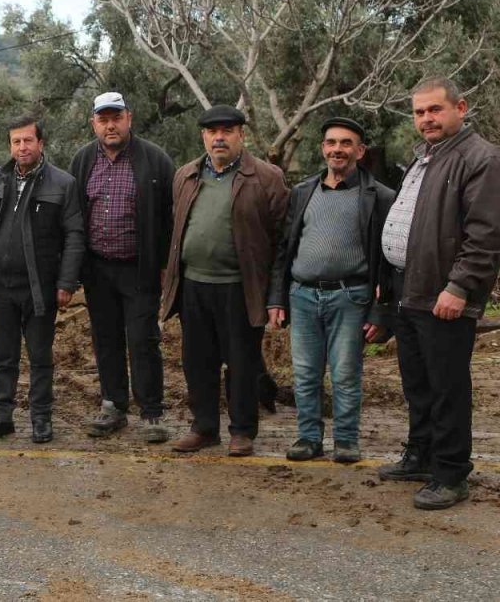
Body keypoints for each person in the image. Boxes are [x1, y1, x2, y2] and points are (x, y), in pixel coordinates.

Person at [377, 77, 500, 510]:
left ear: (460, 108)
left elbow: (487, 236)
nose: (426, 119)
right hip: (409, 289)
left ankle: (451, 473)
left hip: (444, 295)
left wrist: (459, 287)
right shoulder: (426, 158)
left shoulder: (481, 159)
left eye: (435, 110)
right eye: (419, 112)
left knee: (447, 387)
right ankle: (421, 455)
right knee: (418, 384)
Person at [266, 117, 395, 464]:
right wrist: (277, 298)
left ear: (360, 150)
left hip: (350, 297)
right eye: (331, 142)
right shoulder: (302, 192)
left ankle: (346, 441)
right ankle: (308, 438)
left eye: (346, 143)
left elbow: (390, 262)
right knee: (305, 373)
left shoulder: (379, 196)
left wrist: (381, 311)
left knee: (345, 373)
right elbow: (284, 249)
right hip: (302, 295)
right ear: (323, 148)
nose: (338, 149)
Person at [163, 106, 288, 457]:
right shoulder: (185, 175)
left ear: (241, 135)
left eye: (227, 131)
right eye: (212, 131)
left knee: (242, 361)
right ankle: (203, 427)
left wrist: (276, 294)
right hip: (193, 284)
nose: (219, 137)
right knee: (197, 360)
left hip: (240, 286)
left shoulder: (266, 177)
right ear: (203, 136)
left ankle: (242, 430)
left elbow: (281, 240)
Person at [0, 115, 86, 444]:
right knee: (3, 357)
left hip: (40, 288)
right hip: (1, 288)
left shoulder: (63, 184)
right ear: (10, 145)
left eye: (28, 141)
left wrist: (66, 283)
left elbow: (74, 236)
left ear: (41, 143)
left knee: (39, 356)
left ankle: (40, 418)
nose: (22, 147)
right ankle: (2, 417)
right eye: (16, 141)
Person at [68, 92, 175, 443]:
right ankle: (113, 405)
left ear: (130, 118)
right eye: (103, 119)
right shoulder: (83, 160)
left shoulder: (155, 160)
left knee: (143, 339)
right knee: (106, 339)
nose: (110, 125)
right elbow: (73, 217)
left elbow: (170, 217)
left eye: (116, 117)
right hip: (98, 269)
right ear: (93, 123)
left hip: (140, 269)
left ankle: (152, 412)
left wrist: (165, 265)